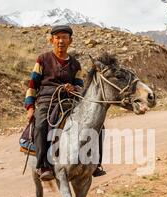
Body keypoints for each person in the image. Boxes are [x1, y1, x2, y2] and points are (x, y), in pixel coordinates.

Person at [24, 25, 106, 181]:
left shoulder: (75, 64)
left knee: (99, 126)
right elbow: (32, 85)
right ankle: (44, 166)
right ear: (52, 40)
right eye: (57, 37)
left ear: (70, 41)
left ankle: (95, 163)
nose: (61, 41)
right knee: (41, 123)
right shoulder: (43, 59)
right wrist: (30, 108)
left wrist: (74, 87)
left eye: (64, 37)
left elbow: (81, 87)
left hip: (70, 101)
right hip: (47, 100)